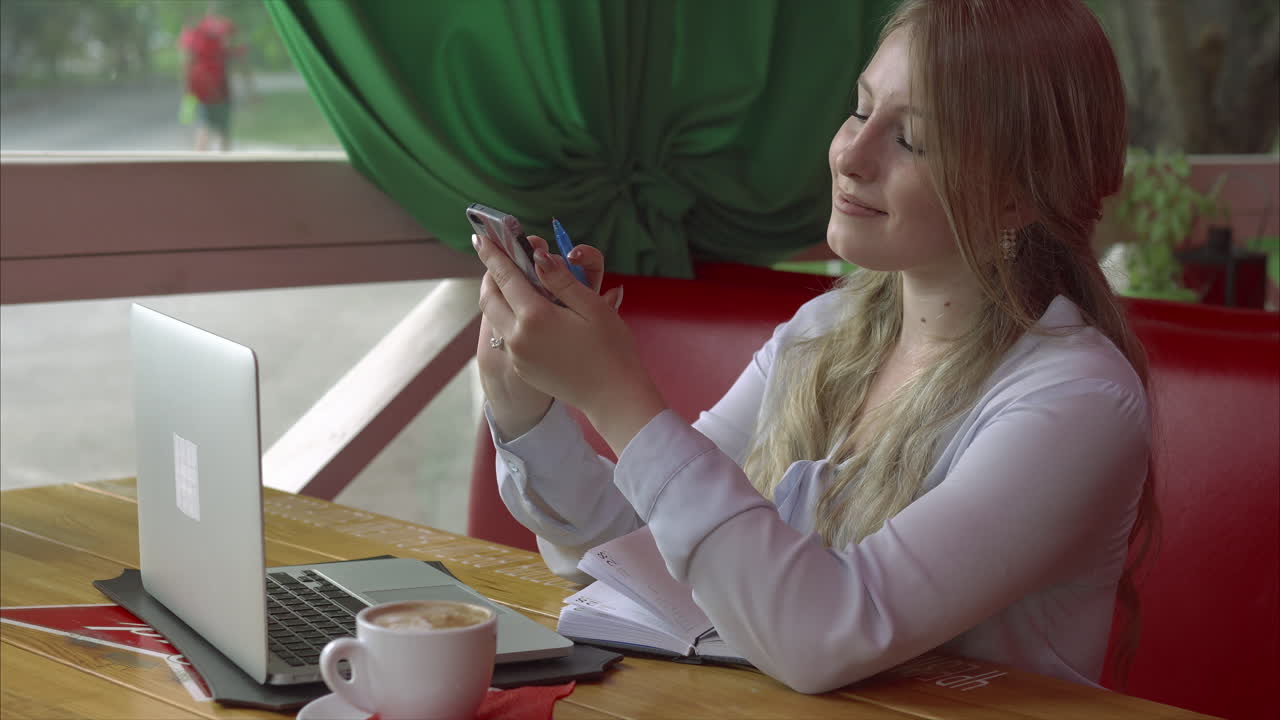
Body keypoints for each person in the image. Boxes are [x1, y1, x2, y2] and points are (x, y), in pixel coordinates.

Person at [472, 0, 1155, 695]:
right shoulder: (823, 331)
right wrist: (522, 404)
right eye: (860, 111)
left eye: (912, 140)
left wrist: (615, 394)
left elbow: (824, 636)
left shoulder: (1078, 403)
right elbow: (637, 545)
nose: (850, 155)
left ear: (1017, 197)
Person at [178, 3, 241, 152]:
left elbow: (187, 60)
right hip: (220, 86)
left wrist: (186, 87)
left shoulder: (193, 30)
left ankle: (199, 163)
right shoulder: (225, 28)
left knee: (205, 125)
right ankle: (225, 166)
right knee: (223, 129)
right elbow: (231, 57)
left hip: (201, 86)